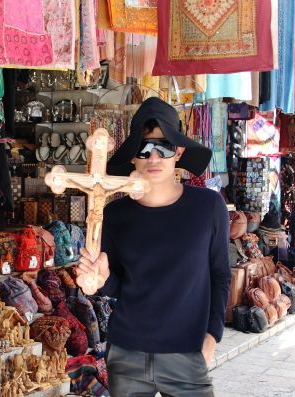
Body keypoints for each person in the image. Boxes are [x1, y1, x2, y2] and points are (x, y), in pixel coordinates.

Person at [78, 97, 231, 397]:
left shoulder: (209, 207)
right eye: (144, 148)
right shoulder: (115, 213)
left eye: (164, 147)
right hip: (127, 356)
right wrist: (99, 279)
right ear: (133, 157)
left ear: (179, 152)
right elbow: (117, 286)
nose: (154, 158)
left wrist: (211, 339)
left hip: (187, 355)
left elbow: (220, 276)